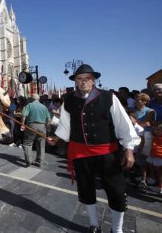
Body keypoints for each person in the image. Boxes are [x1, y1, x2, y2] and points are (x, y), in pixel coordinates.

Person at [47, 64, 140, 233]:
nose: (83, 82)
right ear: (75, 81)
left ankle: (117, 229)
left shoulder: (109, 97)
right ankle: (94, 224)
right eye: (79, 79)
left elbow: (123, 124)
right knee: (86, 189)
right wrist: (57, 138)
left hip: (108, 153)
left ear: (93, 80)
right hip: (81, 153)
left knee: (116, 191)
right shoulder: (68, 99)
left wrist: (128, 148)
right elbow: (65, 125)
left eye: (87, 79)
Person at [20, 93, 51, 167]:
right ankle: (40, 161)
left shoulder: (29, 105)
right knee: (41, 144)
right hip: (42, 126)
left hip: (31, 126)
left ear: (31, 99)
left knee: (27, 143)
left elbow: (24, 115)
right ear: (38, 99)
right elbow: (49, 120)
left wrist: (22, 124)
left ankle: (29, 160)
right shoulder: (44, 107)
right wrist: (45, 128)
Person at [133, 93, 156, 188]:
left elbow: (147, 124)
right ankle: (143, 176)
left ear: (144, 101)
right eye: (135, 99)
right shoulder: (135, 111)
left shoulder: (150, 111)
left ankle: (150, 177)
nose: (135, 101)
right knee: (139, 156)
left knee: (145, 156)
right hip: (137, 135)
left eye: (138, 100)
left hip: (146, 136)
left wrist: (135, 122)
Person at [146, 122, 162, 194]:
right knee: (152, 168)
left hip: (159, 157)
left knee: (159, 173)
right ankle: (156, 183)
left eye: (158, 130)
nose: (156, 131)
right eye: (155, 129)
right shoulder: (154, 136)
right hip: (153, 156)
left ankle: (160, 187)